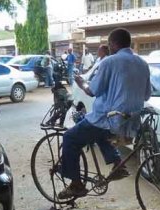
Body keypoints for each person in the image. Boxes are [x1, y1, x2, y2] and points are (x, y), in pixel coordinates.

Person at [58, 28, 151, 199]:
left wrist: (81, 82)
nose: (109, 47)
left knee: (70, 138)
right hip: (129, 122)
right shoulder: (142, 64)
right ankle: (117, 164)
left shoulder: (109, 62)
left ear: (114, 44)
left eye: (110, 44)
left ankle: (76, 184)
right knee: (100, 132)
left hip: (108, 117)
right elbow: (146, 95)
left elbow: (92, 91)